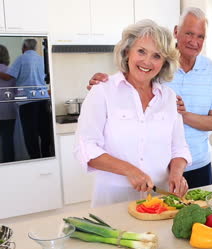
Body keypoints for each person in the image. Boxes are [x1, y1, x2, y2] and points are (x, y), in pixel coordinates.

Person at [88, 7, 212, 188]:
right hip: (157, 170)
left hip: (196, 162)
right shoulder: (153, 69)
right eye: (189, 33)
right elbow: (131, 76)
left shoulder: (209, 71)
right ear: (176, 31)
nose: (194, 41)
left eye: (200, 36)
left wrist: (181, 114)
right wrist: (103, 84)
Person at [75, 19, 191, 207]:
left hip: (159, 199)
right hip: (113, 200)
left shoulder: (169, 98)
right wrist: (129, 170)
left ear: (164, 63)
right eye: (141, 51)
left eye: (157, 56)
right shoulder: (103, 91)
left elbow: (179, 147)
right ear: (127, 52)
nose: (147, 61)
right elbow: (85, 147)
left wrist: (177, 174)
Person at [0, 39, 52, 159]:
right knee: (44, 133)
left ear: (24, 46)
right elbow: (45, 78)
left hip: (28, 102)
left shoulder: (21, 59)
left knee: (30, 135)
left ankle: (35, 160)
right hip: (43, 100)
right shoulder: (41, 59)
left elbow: (8, 77)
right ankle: (47, 158)